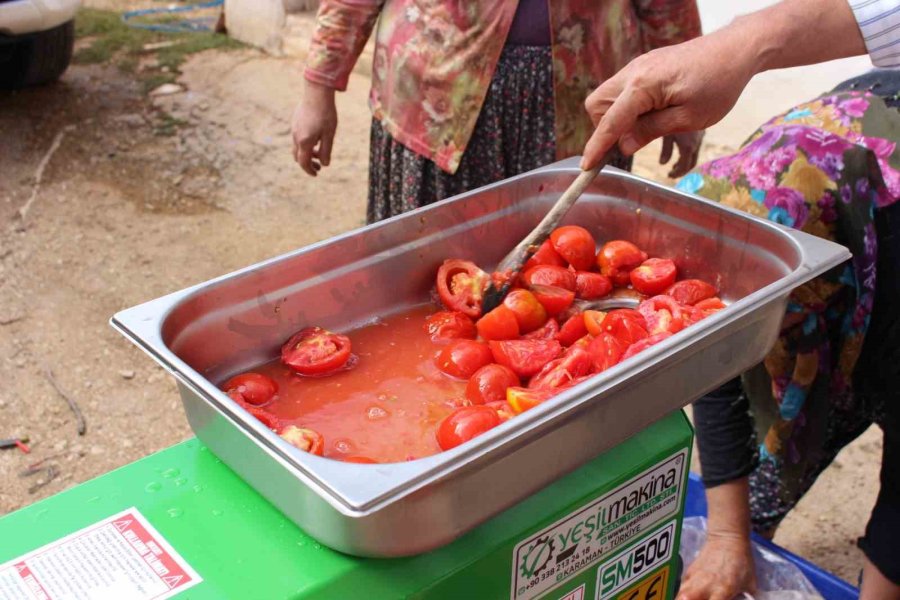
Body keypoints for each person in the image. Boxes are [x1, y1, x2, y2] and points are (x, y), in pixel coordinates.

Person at [579, 1, 900, 598]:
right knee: (760, 479)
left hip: (882, 273)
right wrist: (728, 538)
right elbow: (716, 359)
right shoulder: (746, 202)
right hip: (856, 175)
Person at [291, 0, 705, 224]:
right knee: (430, 276)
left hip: (582, 102)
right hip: (437, 103)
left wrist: (681, 94)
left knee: (567, 275)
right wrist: (318, 86)